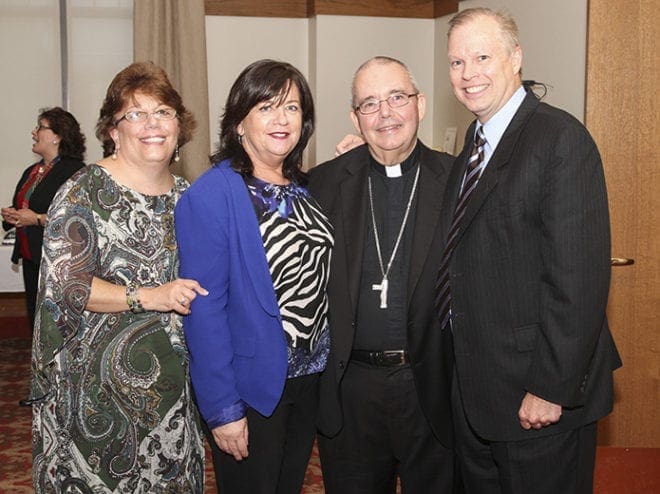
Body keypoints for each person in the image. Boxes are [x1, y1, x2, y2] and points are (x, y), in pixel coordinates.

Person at [440, 8, 622, 493]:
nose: (468, 73)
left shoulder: (560, 139)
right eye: (456, 62)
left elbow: (579, 281)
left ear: (515, 57)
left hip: (538, 400)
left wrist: (549, 388)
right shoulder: (472, 146)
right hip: (479, 397)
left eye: (482, 56)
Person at [30, 61, 207, 492]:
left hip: (175, 399)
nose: (152, 124)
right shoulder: (83, 191)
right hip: (95, 402)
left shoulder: (191, 198)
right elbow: (68, 286)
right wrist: (150, 296)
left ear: (179, 125)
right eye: (136, 114)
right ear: (113, 130)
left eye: (163, 112)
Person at [175, 59, 333, 494]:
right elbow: (203, 313)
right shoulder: (212, 195)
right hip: (250, 389)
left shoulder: (306, 189)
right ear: (239, 123)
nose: (281, 119)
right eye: (266, 107)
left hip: (308, 380)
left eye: (293, 108)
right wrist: (223, 408)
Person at [308, 56, 456, 493]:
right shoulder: (323, 184)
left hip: (431, 387)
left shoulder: (458, 180)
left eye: (397, 97)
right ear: (355, 117)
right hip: (352, 391)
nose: (386, 113)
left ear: (420, 105)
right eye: (369, 104)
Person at [2, 107, 86, 329]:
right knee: (36, 320)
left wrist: (37, 219)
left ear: (57, 136)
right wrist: (13, 215)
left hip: (58, 262)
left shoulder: (75, 171)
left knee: (56, 323)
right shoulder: (32, 170)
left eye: (40, 127)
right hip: (32, 258)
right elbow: (26, 206)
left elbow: (78, 218)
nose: (34, 132)